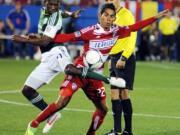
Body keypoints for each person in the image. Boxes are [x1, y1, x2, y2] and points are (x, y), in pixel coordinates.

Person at [14, 3, 168, 135]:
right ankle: (33, 125)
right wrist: (40, 39)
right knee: (62, 102)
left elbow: (135, 27)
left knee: (102, 109)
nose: (109, 19)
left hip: (94, 76)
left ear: (115, 18)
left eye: (112, 16)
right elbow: (67, 37)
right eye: (106, 15)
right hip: (79, 72)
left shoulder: (116, 31)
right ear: (100, 16)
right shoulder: (90, 31)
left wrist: (155, 17)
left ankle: (90, 133)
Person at [12, 0, 83, 133]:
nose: (53, 7)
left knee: (75, 74)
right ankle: (52, 114)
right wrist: (72, 14)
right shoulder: (45, 11)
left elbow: (45, 41)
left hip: (57, 53)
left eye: (56, 5)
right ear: (45, 3)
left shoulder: (55, 17)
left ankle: (98, 80)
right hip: (47, 58)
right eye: (51, 4)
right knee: (27, 90)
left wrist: (22, 39)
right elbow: (63, 13)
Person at [104, 0, 136, 134]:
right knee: (113, 94)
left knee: (123, 93)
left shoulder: (127, 15)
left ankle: (128, 131)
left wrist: (124, 57)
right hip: (114, 58)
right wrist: (109, 56)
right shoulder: (110, 15)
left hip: (124, 58)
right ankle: (116, 130)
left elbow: (132, 37)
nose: (111, 1)